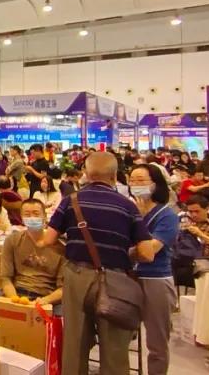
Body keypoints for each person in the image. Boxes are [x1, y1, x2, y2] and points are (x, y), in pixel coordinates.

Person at [38, 151, 156, 375]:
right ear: (114, 176)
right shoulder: (128, 206)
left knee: (74, 345)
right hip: (115, 280)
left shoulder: (70, 201)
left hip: (76, 276)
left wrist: (72, 249)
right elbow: (147, 253)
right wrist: (121, 254)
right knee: (115, 350)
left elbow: (48, 240)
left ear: (86, 173)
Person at [0, 198, 64, 320]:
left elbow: (63, 288)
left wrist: (45, 300)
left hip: (45, 297)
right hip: (15, 292)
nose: (32, 218)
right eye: (27, 215)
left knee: (61, 323)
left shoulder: (60, 248)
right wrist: (14, 300)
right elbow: (6, 278)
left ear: (45, 217)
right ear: (22, 218)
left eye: (36, 214)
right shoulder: (12, 240)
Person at [129, 163, 179, 375]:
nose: (135, 184)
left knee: (157, 341)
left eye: (141, 180)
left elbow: (149, 251)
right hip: (129, 278)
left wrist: (138, 226)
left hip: (155, 279)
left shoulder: (167, 215)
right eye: (132, 180)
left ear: (155, 184)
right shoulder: (129, 209)